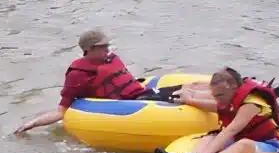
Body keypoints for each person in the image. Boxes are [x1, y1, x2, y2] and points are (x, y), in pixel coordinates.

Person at [13, 30, 174, 135]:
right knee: (186, 95)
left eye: (107, 45)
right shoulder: (78, 74)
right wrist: (32, 124)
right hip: (133, 102)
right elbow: (61, 111)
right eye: (102, 46)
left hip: (143, 93)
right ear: (89, 49)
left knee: (192, 87)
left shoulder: (109, 58)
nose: (107, 49)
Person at [157, 68, 279, 153]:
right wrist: (189, 100)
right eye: (215, 96)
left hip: (271, 143)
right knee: (210, 137)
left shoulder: (252, 103)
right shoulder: (230, 97)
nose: (217, 100)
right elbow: (215, 107)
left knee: (243, 144)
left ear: (233, 87)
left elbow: (231, 129)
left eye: (220, 96)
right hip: (244, 138)